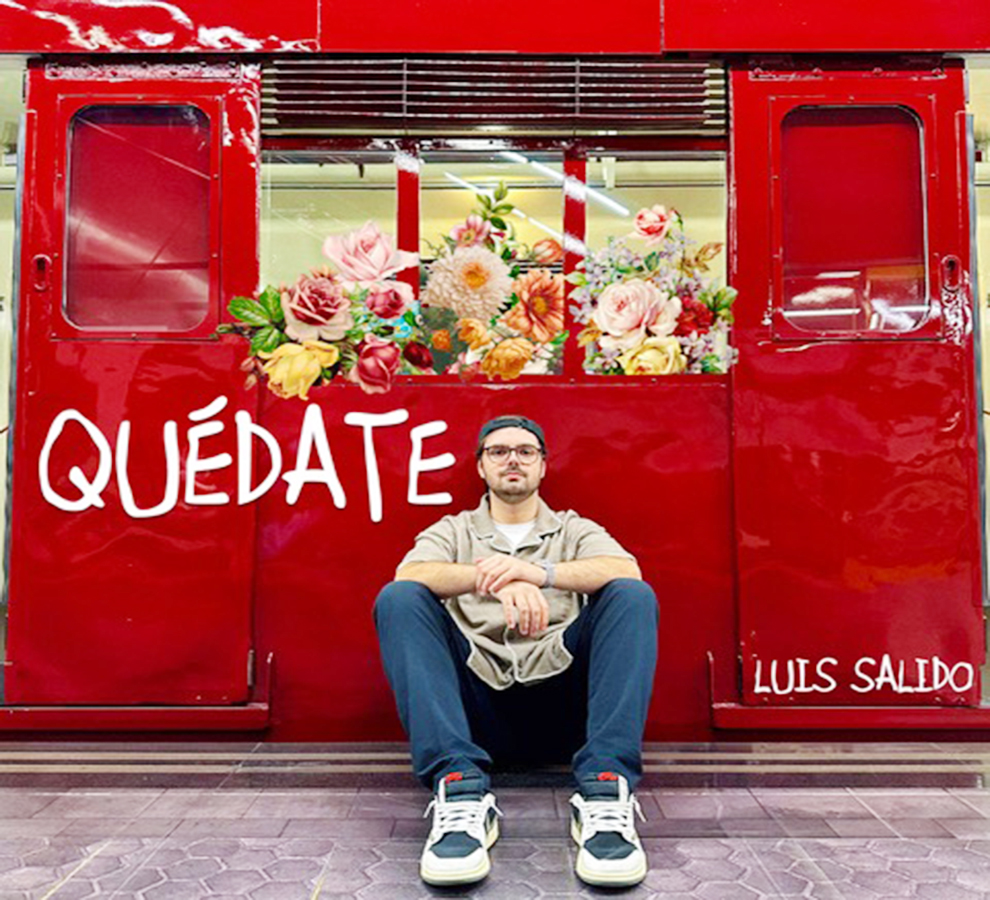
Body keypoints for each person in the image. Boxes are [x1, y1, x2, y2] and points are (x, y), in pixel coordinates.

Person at [373, 414, 659, 888]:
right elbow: (412, 573)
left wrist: (539, 573)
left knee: (632, 596)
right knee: (399, 599)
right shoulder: (454, 530)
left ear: (543, 466)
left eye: (525, 452)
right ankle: (459, 792)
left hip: (565, 711)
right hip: (472, 716)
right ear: (481, 466)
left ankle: (606, 792)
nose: (512, 460)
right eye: (499, 451)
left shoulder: (572, 529)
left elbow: (625, 569)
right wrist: (496, 578)